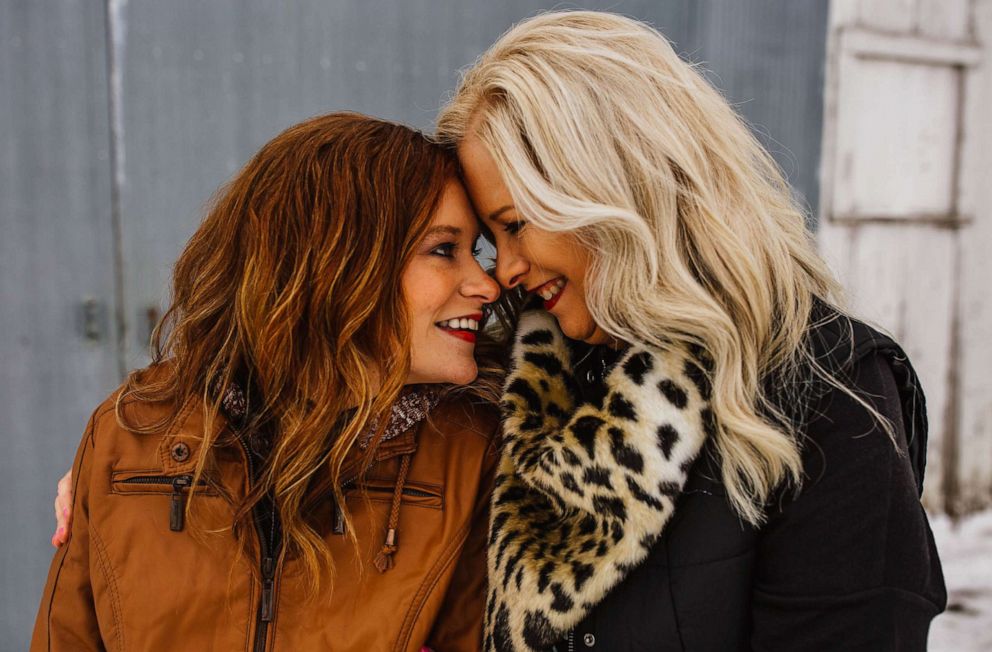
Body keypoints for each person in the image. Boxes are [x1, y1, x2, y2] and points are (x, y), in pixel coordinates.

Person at [434, 11, 946, 651]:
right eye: (492, 239)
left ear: (611, 186)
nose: (504, 270)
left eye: (516, 224)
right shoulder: (526, 380)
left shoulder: (823, 392)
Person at [34, 112, 502, 651]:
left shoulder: (474, 452)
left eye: (477, 252)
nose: (485, 284)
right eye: (444, 250)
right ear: (339, 262)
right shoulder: (130, 434)